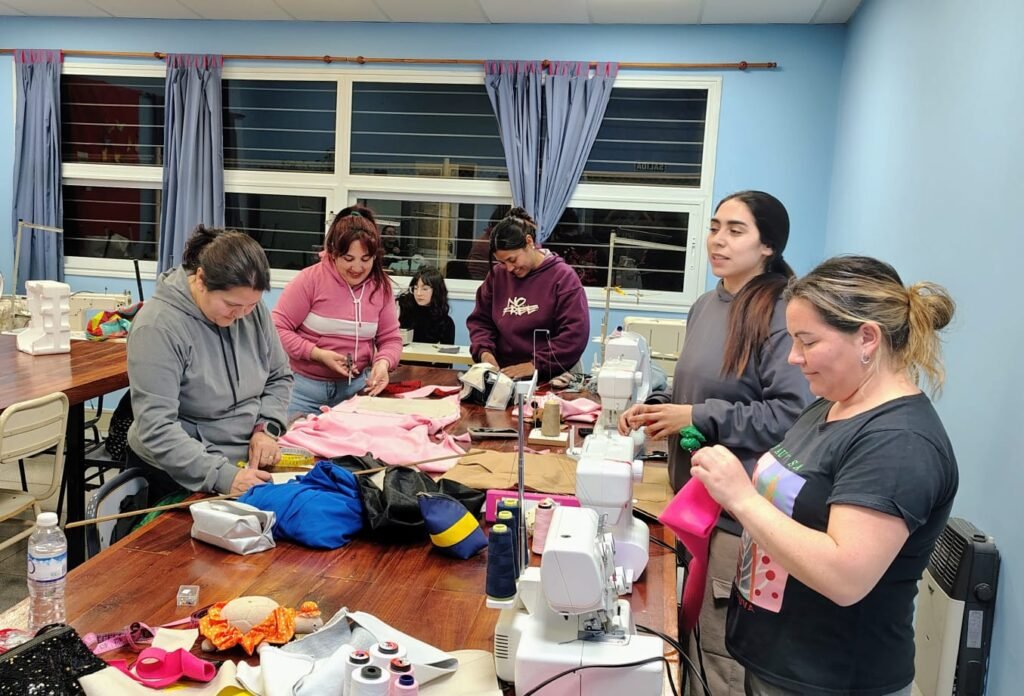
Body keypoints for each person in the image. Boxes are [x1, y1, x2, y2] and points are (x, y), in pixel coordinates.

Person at [692, 255, 958, 695]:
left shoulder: (898, 442)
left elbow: (843, 576)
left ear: (867, 338)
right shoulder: (830, 403)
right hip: (778, 662)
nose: (794, 358)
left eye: (807, 342)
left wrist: (741, 498)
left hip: (832, 681)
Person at [618, 191, 813, 696]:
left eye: (736, 230)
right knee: (690, 636)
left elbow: (790, 415)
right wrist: (659, 406)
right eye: (714, 227)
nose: (718, 240)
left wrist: (697, 415)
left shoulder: (780, 311)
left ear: (768, 245)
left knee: (722, 651)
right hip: (692, 501)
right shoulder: (707, 304)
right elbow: (701, 390)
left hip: (736, 516)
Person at [126, 226, 292, 500]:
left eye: (251, 306)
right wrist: (224, 477)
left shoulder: (250, 309)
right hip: (178, 472)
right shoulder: (157, 327)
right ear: (201, 279)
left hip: (241, 462)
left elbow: (279, 376)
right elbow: (157, 428)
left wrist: (267, 429)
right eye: (231, 305)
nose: (241, 316)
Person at [273, 205, 402, 421]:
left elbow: (391, 339)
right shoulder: (310, 280)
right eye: (348, 259)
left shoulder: (382, 287)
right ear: (333, 253)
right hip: (302, 393)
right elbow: (276, 329)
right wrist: (317, 354)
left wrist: (383, 363)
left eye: (366, 259)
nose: (357, 268)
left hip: (356, 393)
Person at [466, 207, 589, 381]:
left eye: (512, 260)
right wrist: (485, 354)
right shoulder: (497, 276)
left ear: (529, 242)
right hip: (504, 374)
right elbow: (481, 321)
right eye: (502, 262)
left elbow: (574, 335)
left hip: (551, 376)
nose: (509, 268)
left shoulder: (563, 278)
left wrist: (534, 365)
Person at [398, 267, 455, 345]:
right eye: (415, 288)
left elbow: (446, 354)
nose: (418, 293)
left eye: (424, 289)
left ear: (436, 291)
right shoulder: (402, 310)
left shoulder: (445, 322)